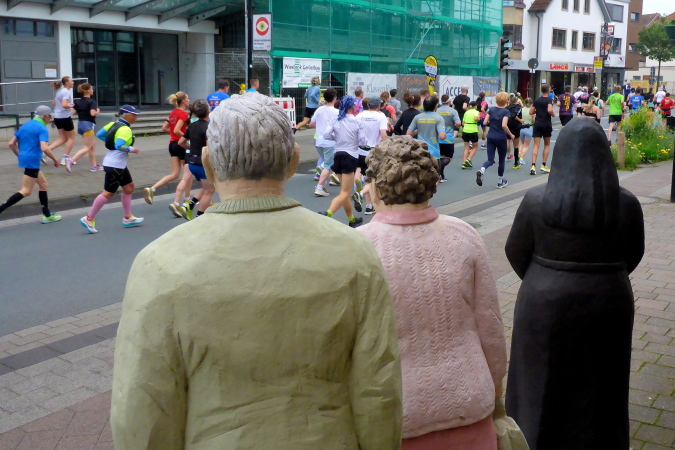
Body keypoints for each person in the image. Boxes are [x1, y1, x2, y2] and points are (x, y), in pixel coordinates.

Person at [110, 93, 403, 450]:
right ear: (293, 161)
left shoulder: (159, 263)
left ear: (208, 163)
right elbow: (379, 391)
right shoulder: (354, 253)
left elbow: (140, 412)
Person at [357, 135, 506, 450]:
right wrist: (495, 390)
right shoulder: (464, 235)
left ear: (376, 187)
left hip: (394, 415)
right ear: (432, 182)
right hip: (470, 404)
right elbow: (490, 327)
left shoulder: (358, 247)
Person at [505, 119, 644, 450]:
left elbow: (515, 251)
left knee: (538, 381)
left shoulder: (536, 201)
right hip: (608, 299)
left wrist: (544, 278)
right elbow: (634, 254)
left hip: (544, 299)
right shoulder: (627, 204)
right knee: (603, 384)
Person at [80, 105, 143, 234]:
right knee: (108, 193)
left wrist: (111, 142)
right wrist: (132, 149)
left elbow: (99, 134)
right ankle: (88, 218)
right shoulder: (125, 129)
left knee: (129, 187)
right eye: (133, 115)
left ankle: (128, 217)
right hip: (115, 166)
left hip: (116, 164)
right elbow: (119, 146)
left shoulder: (114, 124)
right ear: (125, 115)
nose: (136, 117)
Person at [0, 105, 62, 223]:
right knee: (26, 191)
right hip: (32, 160)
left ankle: (47, 215)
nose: (50, 119)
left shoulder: (26, 125)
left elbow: (11, 143)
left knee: (43, 184)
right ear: (44, 116)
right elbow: (44, 148)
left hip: (25, 158)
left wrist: (19, 155)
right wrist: (55, 160)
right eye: (50, 116)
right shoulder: (42, 128)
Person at [318, 94, 366, 227]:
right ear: (352, 106)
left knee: (344, 192)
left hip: (338, 154)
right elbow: (363, 142)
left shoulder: (336, 119)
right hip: (350, 156)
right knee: (345, 192)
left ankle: (351, 219)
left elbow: (326, 135)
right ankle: (328, 213)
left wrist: (337, 139)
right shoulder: (357, 121)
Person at [143, 91, 191, 210]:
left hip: (172, 145)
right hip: (181, 145)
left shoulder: (173, 113)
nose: (189, 100)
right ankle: (187, 199)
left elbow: (164, 128)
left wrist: (174, 135)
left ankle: (152, 189)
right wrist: (187, 137)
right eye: (188, 98)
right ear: (183, 101)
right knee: (188, 174)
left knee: (175, 174)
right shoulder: (184, 114)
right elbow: (177, 130)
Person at [174, 99, 214, 220]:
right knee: (210, 190)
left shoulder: (192, 125)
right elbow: (208, 148)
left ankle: (189, 206)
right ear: (208, 111)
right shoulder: (208, 127)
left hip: (192, 163)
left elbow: (181, 142)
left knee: (206, 187)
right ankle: (198, 218)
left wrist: (193, 149)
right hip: (202, 164)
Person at [476, 92, 515, 189]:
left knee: (490, 160)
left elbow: (485, 122)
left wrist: (492, 123)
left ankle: (482, 170)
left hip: (491, 136)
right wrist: (510, 134)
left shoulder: (491, 109)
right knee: (501, 160)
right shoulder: (506, 112)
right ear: (506, 100)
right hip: (501, 137)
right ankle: (500, 181)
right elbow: (504, 125)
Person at [356, 97, 388, 214]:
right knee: (374, 179)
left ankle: (369, 206)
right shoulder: (381, 116)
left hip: (361, 150)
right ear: (379, 106)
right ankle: (361, 193)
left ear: (368, 105)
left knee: (367, 178)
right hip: (375, 151)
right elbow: (383, 134)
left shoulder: (359, 116)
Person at [66, 83, 103, 172]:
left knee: (92, 145)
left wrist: (82, 111)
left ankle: (94, 165)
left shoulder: (78, 101)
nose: (93, 90)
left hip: (81, 124)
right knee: (87, 147)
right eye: (91, 89)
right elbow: (92, 114)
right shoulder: (92, 101)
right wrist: (98, 111)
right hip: (88, 125)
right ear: (88, 91)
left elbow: (73, 112)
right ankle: (71, 160)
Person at [311, 88, 339, 197]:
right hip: (330, 142)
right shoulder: (337, 112)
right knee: (328, 165)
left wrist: (320, 126)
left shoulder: (319, 110)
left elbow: (312, 124)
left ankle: (325, 184)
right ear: (334, 98)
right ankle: (319, 187)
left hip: (319, 141)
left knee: (328, 162)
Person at [406, 96, 446, 163]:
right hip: (434, 153)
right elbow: (442, 136)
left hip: (420, 151)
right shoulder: (439, 118)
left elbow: (408, 134)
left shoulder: (417, 117)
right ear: (435, 106)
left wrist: (418, 131)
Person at [48, 76, 76, 165]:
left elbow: (54, 103)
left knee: (63, 138)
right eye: (71, 81)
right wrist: (74, 106)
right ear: (67, 83)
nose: (73, 82)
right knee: (71, 138)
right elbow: (64, 104)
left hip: (57, 117)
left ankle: (45, 152)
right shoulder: (66, 92)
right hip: (65, 117)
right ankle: (65, 158)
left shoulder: (59, 91)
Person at [530, 84, 555, 175]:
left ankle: (533, 165)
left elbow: (531, 112)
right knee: (547, 144)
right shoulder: (549, 100)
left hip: (537, 123)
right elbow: (549, 110)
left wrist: (538, 111)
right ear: (548, 90)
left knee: (536, 145)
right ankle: (543, 165)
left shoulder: (537, 100)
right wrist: (553, 114)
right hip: (546, 123)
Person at [436, 94, 461, 182]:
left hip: (438, 137)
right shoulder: (453, 111)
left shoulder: (437, 110)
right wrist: (455, 126)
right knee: (449, 158)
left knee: (441, 157)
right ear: (449, 101)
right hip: (448, 138)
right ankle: (438, 169)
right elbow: (458, 123)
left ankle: (441, 176)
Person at [514, 98, 534, 169]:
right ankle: (521, 159)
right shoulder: (532, 110)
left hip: (521, 127)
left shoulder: (521, 109)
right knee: (526, 145)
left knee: (522, 143)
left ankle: (519, 154)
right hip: (529, 128)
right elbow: (534, 119)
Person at [460, 101, 481, 169]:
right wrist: (478, 119)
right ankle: (469, 159)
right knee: (475, 147)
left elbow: (463, 123)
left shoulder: (466, 112)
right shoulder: (476, 112)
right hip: (473, 130)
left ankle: (464, 163)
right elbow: (476, 119)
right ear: (475, 106)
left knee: (466, 147)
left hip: (465, 130)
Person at [506, 93, 524, 164]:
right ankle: (516, 161)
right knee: (516, 145)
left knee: (507, 139)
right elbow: (514, 115)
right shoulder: (518, 107)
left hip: (508, 125)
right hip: (516, 126)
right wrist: (520, 120)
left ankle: (507, 154)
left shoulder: (507, 108)